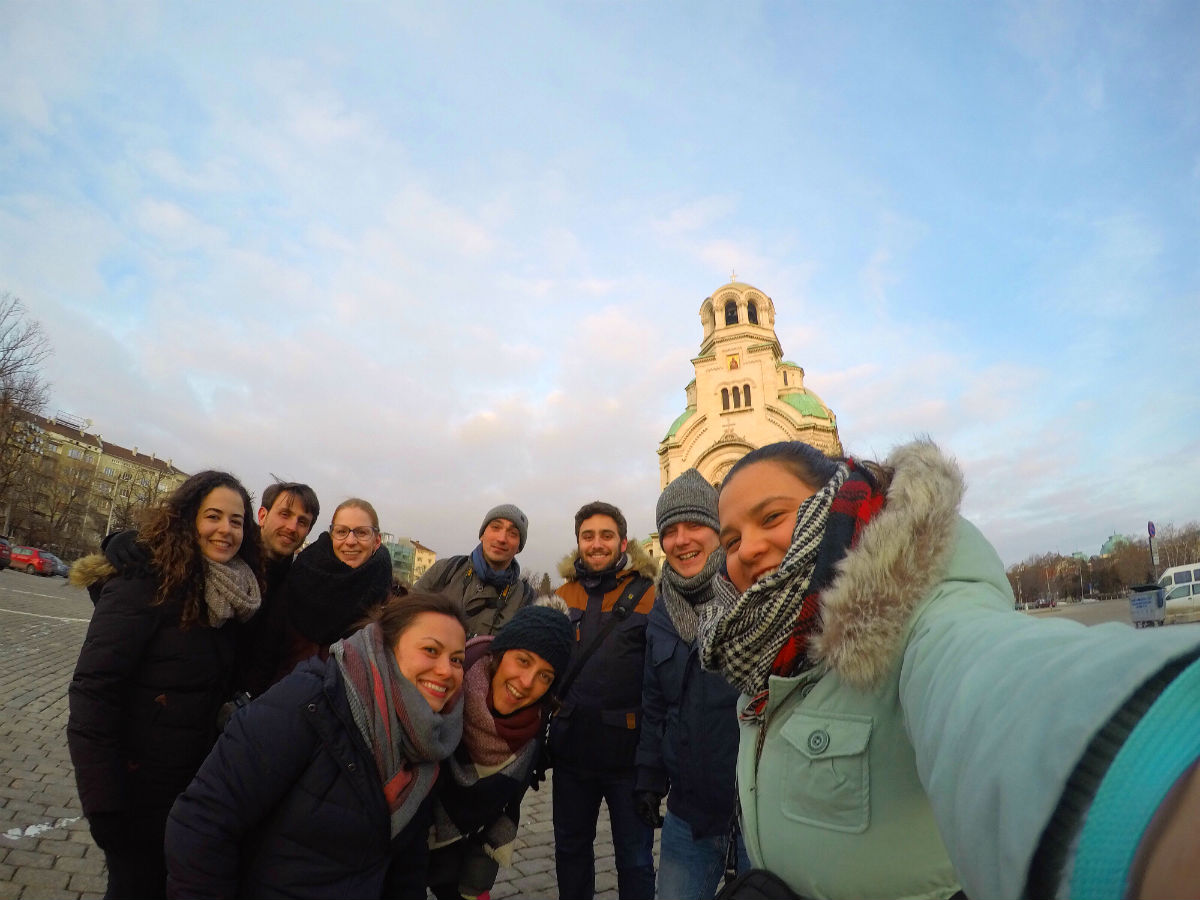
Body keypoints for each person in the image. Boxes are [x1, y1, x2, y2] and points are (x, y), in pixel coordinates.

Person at [700, 439, 1200, 900]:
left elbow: (997, 685)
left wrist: (1153, 759)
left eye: (772, 517)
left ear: (835, 500)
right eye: (730, 539)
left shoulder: (920, 611)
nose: (746, 549)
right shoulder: (764, 646)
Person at [164, 591, 468, 899]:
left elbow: (406, 865)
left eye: (457, 659)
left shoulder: (431, 744)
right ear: (386, 648)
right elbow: (202, 821)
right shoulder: (310, 701)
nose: (446, 670)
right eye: (431, 650)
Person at [68, 471, 265, 900]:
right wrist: (103, 805)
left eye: (236, 521)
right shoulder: (144, 582)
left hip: (194, 788)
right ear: (188, 519)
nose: (225, 530)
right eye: (213, 516)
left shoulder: (234, 595)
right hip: (136, 791)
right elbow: (93, 692)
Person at [634, 469, 749, 900]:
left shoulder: (752, 595)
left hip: (757, 809)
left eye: (695, 525)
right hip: (689, 811)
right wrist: (649, 776)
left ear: (720, 530)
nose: (681, 540)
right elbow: (655, 703)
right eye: (670, 531)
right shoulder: (662, 609)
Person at [426, 598, 574, 900]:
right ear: (500, 653)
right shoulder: (447, 689)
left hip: (471, 850)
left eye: (545, 676)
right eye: (523, 660)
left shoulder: (535, 724)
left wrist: (474, 889)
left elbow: (502, 809)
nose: (527, 682)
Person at [551, 501, 657, 900]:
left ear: (623, 541)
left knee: (635, 861)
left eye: (606, 536)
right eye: (588, 536)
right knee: (571, 851)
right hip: (571, 756)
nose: (597, 544)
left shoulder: (649, 596)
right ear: (578, 543)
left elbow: (659, 683)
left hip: (627, 760)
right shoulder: (562, 595)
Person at [275, 497, 393, 681]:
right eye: (342, 531)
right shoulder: (300, 579)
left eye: (361, 533)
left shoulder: (393, 606)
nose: (350, 541)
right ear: (332, 537)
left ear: (376, 541)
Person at [237, 480, 320, 697]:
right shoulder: (229, 560)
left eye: (302, 522)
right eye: (285, 514)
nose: (292, 527)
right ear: (262, 516)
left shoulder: (296, 585)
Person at [415, 504, 535, 636]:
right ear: (482, 534)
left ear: (519, 547)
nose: (501, 539)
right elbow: (405, 618)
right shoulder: (446, 569)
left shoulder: (524, 600)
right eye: (495, 527)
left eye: (513, 534)